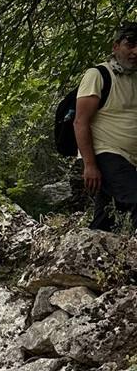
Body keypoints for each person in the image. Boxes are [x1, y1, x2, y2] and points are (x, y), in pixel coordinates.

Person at [74, 21, 137, 231]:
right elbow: (80, 121)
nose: (135, 51)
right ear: (116, 46)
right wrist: (90, 165)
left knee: (106, 219)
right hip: (106, 153)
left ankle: (85, 258)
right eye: (131, 44)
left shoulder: (134, 77)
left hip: (130, 159)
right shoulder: (98, 75)